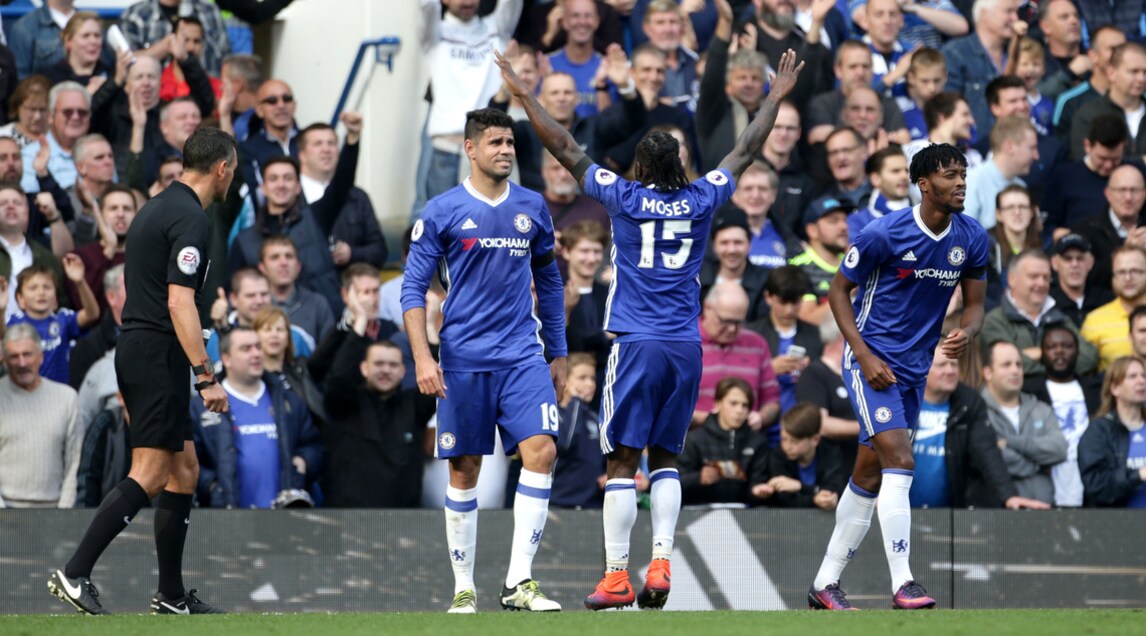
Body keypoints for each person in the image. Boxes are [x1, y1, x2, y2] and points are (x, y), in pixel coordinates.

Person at [498, 41, 803, 611]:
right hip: (687, 346)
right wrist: (775, 97)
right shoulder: (703, 197)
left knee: (621, 461)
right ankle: (661, 564)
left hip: (637, 343)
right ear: (681, 166)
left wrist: (524, 94)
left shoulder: (623, 196)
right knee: (665, 458)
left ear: (640, 168)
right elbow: (745, 149)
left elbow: (564, 145)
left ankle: (617, 575)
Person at [47, 126, 236, 616]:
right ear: (222, 168)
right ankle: (74, 572)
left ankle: (171, 595)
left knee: (184, 469)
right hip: (156, 353)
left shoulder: (157, 206)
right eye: (232, 170)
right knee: (150, 473)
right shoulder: (191, 218)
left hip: (144, 349)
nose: (232, 178)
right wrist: (206, 376)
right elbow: (179, 302)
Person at [808, 142, 989, 611]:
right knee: (901, 461)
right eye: (950, 175)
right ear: (924, 184)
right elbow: (838, 291)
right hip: (872, 363)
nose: (961, 183)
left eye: (963, 174)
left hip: (914, 368)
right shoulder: (883, 233)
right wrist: (862, 354)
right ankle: (904, 582)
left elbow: (975, 306)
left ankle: (824, 583)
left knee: (869, 474)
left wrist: (967, 332)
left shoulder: (972, 237)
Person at [401, 106, 567, 612]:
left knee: (542, 451)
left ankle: (520, 581)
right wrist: (423, 358)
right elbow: (412, 288)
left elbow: (550, 282)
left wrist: (558, 351)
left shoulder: (532, 207)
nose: (506, 150)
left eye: (510, 143)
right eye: (495, 142)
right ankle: (464, 587)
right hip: (463, 359)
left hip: (522, 356)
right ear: (470, 149)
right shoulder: (442, 210)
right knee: (465, 469)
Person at [322, 287, 436, 508]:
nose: (385, 370)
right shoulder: (345, 403)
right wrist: (360, 321)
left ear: (403, 371)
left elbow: (436, 382)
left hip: (403, 520)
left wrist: (430, 325)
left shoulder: (413, 404)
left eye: (393, 365)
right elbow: (339, 376)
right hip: (348, 519)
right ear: (364, 368)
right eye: (378, 364)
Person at [192, 326, 321, 508]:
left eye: (258, 347)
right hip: (227, 517)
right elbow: (190, 460)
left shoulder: (289, 400)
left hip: (285, 517)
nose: (256, 354)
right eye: (246, 349)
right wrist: (213, 487)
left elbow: (313, 445)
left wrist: (303, 463)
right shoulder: (203, 406)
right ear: (226, 359)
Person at [911, 344, 1050, 509]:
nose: (950, 371)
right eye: (942, 365)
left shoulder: (969, 402)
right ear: (923, 369)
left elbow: (987, 452)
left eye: (954, 364)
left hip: (950, 515)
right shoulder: (904, 401)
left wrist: (1009, 496)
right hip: (898, 509)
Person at [980, 249, 1097, 380]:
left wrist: (1036, 355)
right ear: (1012, 279)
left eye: (1046, 278)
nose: (1041, 283)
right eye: (1033, 276)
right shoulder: (993, 322)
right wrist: (1059, 362)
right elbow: (1004, 365)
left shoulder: (1060, 319)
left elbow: (1089, 358)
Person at [1023, 324, 1104, 507]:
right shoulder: (1028, 391)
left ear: (1078, 352)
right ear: (1042, 353)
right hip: (1046, 480)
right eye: (1051, 347)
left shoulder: (1096, 390)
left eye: (1067, 346)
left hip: (1090, 480)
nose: (1059, 351)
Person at [0, 324, 81, 508]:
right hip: (5, 509)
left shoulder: (66, 398)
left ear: (41, 356)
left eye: (27, 354)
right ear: (5, 361)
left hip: (54, 508)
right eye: (14, 356)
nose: (22, 363)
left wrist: (64, 511)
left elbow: (74, 461)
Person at [980, 340, 1068, 506]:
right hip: (996, 512)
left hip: (1043, 512)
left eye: (1019, 365)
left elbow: (1060, 449)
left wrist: (1010, 442)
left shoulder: (1041, 409)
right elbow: (992, 460)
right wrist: (1038, 464)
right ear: (988, 372)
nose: (1015, 371)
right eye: (1006, 365)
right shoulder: (977, 410)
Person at [296, 123, 388, 272]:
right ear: (302, 155)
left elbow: (380, 251)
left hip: (350, 281)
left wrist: (352, 253)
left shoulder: (357, 197)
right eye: (318, 144)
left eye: (331, 143)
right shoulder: (291, 197)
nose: (326, 149)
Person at [694, 281, 781, 433]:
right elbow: (668, 404)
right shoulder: (685, 343)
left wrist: (761, 417)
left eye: (739, 322)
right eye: (725, 321)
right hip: (694, 439)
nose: (732, 329)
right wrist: (712, 420)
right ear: (707, 308)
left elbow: (772, 401)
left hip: (744, 439)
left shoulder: (757, 345)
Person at [678, 376, 770, 505]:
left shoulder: (758, 442)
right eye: (733, 403)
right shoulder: (693, 440)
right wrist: (699, 478)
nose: (739, 410)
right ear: (718, 404)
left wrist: (757, 491)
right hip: (698, 512)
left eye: (745, 405)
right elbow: (676, 483)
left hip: (744, 513)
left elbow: (758, 482)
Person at [5, 260, 99, 385]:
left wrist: (80, 282)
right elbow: (2, 335)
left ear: (55, 299)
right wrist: (1, 309)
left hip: (59, 392)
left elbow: (92, 314)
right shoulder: (14, 322)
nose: (41, 292)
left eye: (47, 287)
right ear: (20, 299)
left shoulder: (64, 319)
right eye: (33, 288)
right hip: (23, 391)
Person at [747, 265, 823, 414]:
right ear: (768, 297)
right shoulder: (752, 334)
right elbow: (737, 377)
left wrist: (811, 371)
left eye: (795, 303)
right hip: (761, 417)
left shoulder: (815, 334)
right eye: (782, 302)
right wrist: (769, 370)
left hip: (803, 418)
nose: (789, 310)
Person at [941, 0, 1020, 137]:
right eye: (1008, 11)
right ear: (984, 14)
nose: (1016, 18)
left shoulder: (1018, 53)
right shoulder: (955, 53)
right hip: (973, 144)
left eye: (1016, 12)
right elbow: (948, 108)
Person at [1044, 114, 1131, 237]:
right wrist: (1063, 235)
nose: (1108, 165)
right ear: (1087, 146)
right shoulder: (1064, 176)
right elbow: (1048, 225)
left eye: (1115, 159)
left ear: (1124, 147)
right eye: (1102, 158)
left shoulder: (1136, 174)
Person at [1078, 356, 1146, 507]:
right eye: (1132, 376)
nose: (1141, 381)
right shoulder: (1099, 431)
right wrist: (1139, 475)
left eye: (1144, 376)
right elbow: (1096, 485)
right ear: (1114, 388)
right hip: (1120, 520)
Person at [754, 401, 847, 510]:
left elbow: (834, 490)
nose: (788, 446)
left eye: (795, 442)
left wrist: (800, 487)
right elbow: (785, 499)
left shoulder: (831, 452)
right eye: (784, 439)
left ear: (815, 440)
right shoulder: (778, 455)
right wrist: (814, 499)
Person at [1068, 165, 1146, 295]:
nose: (1128, 197)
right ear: (1108, 194)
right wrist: (1126, 250)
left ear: (1144, 194)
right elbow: (1084, 278)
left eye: (1134, 190)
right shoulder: (1085, 230)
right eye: (1121, 190)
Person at [1069, 42, 1146, 162]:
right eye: (1134, 71)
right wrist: (1141, 161)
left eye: (1145, 72)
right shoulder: (1089, 114)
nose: (1142, 78)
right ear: (1111, 73)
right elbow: (1084, 161)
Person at [551, 353, 607, 509]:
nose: (589, 384)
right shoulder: (554, 414)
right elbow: (565, 443)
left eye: (592, 378)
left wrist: (608, 474)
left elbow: (606, 457)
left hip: (592, 506)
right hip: (559, 504)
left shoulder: (595, 418)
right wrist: (575, 401)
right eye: (582, 378)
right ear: (564, 380)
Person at [963, 115, 1039, 230]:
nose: (1036, 156)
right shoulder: (971, 182)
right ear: (1010, 147)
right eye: (1032, 148)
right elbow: (961, 236)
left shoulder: (1021, 186)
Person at [257, 235, 334, 347]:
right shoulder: (255, 305)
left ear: (298, 267)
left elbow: (330, 350)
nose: (283, 263)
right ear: (262, 268)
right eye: (275, 257)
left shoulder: (318, 305)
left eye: (289, 256)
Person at [118, 0, 230, 76]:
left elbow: (226, 58)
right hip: (155, 98)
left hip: (206, 96)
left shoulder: (209, 11)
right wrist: (164, 47)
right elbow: (125, 63)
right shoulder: (135, 15)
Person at [1081, 245, 1146, 371]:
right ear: (1113, 277)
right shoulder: (1094, 321)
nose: (1128, 278)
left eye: (1135, 271)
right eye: (1121, 272)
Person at [698, 207, 770, 322]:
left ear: (749, 244)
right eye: (724, 243)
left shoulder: (766, 281)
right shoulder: (698, 279)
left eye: (738, 242)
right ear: (714, 246)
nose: (731, 250)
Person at [791, 196, 852, 327]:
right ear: (812, 230)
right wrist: (849, 290)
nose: (843, 227)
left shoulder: (854, 264)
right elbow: (806, 320)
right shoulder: (798, 268)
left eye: (844, 220)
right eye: (833, 221)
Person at [1049, 233, 1111, 331]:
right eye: (1067, 259)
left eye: (1080, 258)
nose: (1075, 264)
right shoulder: (1047, 303)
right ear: (1055, 263)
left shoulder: (1107, 300)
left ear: (1090, 262)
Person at [850, 146, 911, 239]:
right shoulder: (858, 222)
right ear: (875, 179)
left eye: (906, 171)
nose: (904, 176)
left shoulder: (925, 214)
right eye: (895, 171)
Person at [44, 12, 112, 90]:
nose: (93, 41)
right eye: (85, 36)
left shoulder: (111, 75)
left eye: (97, 35)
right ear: (68, 41)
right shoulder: (51, 78)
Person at [896, 48, 947, 141]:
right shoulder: (899, 111)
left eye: (937, 80)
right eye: (925, 81)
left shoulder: (954, 111)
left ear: (945, 76)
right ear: (911, 78)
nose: (932, 88)